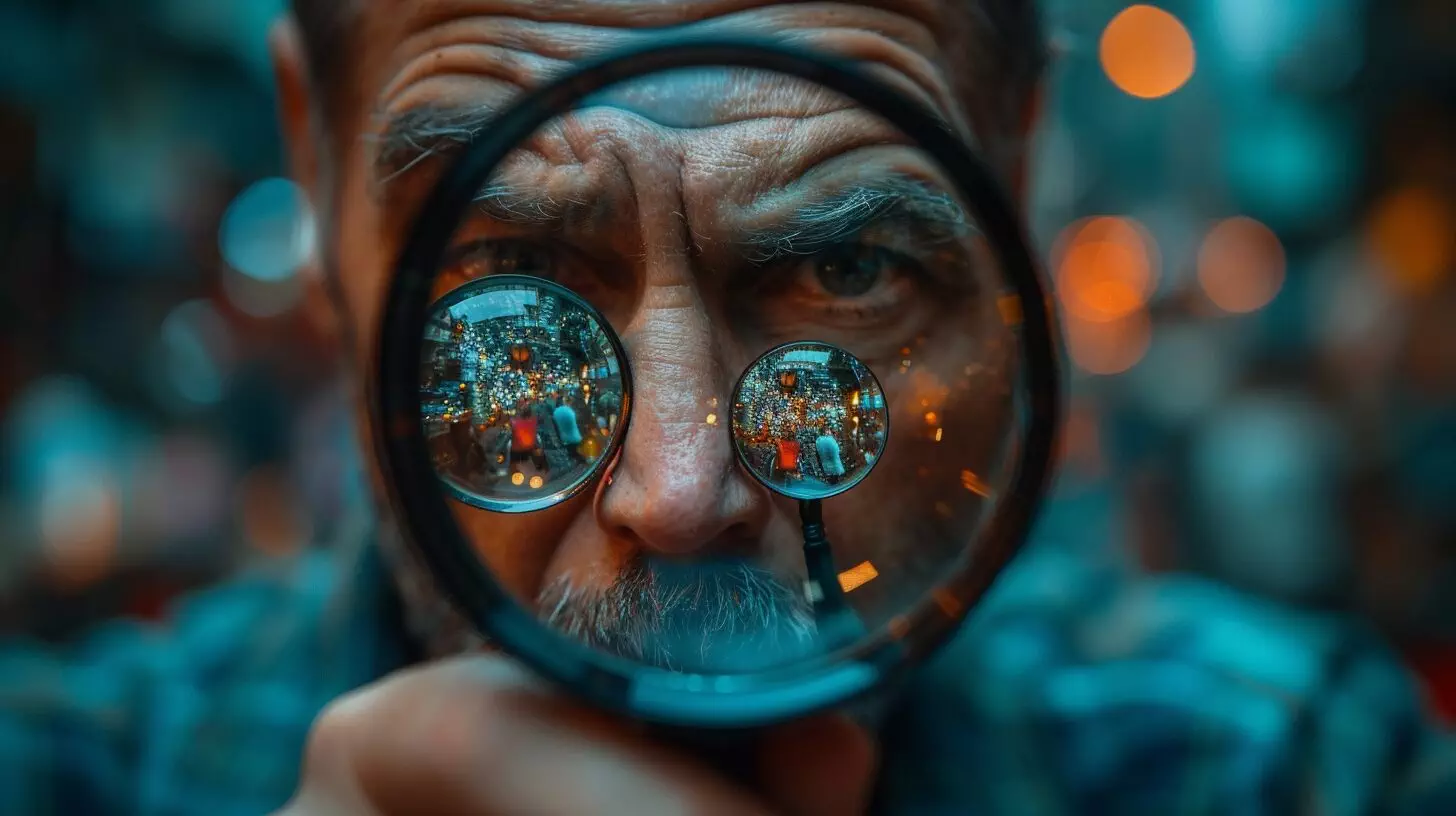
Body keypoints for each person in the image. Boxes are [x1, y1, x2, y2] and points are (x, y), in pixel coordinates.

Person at [2, 1, 1454, 814]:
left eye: (843, 262)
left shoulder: (1282, 768)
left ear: (1019, 179)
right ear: (317, 190)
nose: (684, 491)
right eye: (506, 269)